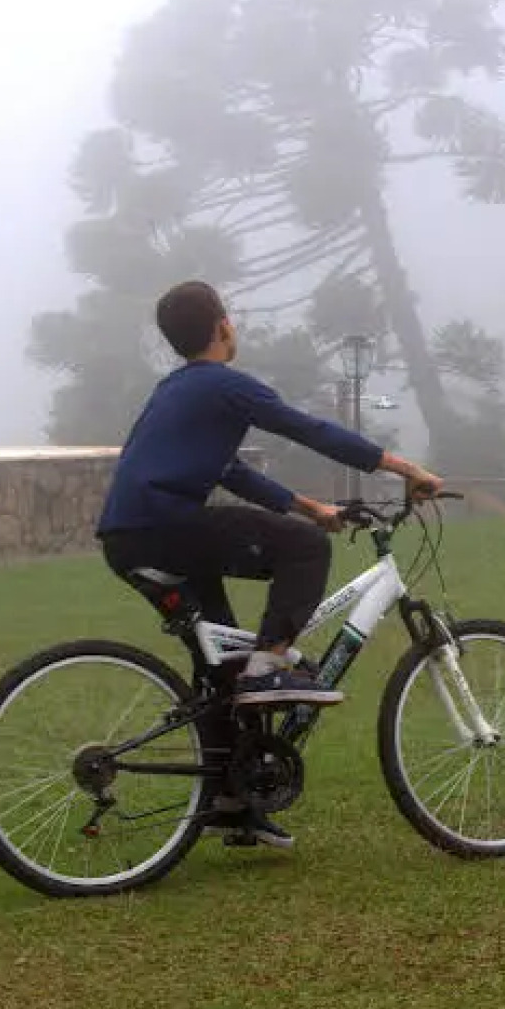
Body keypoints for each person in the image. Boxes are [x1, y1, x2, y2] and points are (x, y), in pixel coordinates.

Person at [96, 280, 442, 847]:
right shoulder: (223, 385)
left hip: (129, 538)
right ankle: (272, 664)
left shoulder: (176, 391)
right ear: (223, 327)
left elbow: (229, 471)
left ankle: (234, 799)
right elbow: (310, 430)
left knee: (222, 669)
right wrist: (406, 469)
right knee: (304, 549)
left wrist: (307, 506)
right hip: (165, 528)